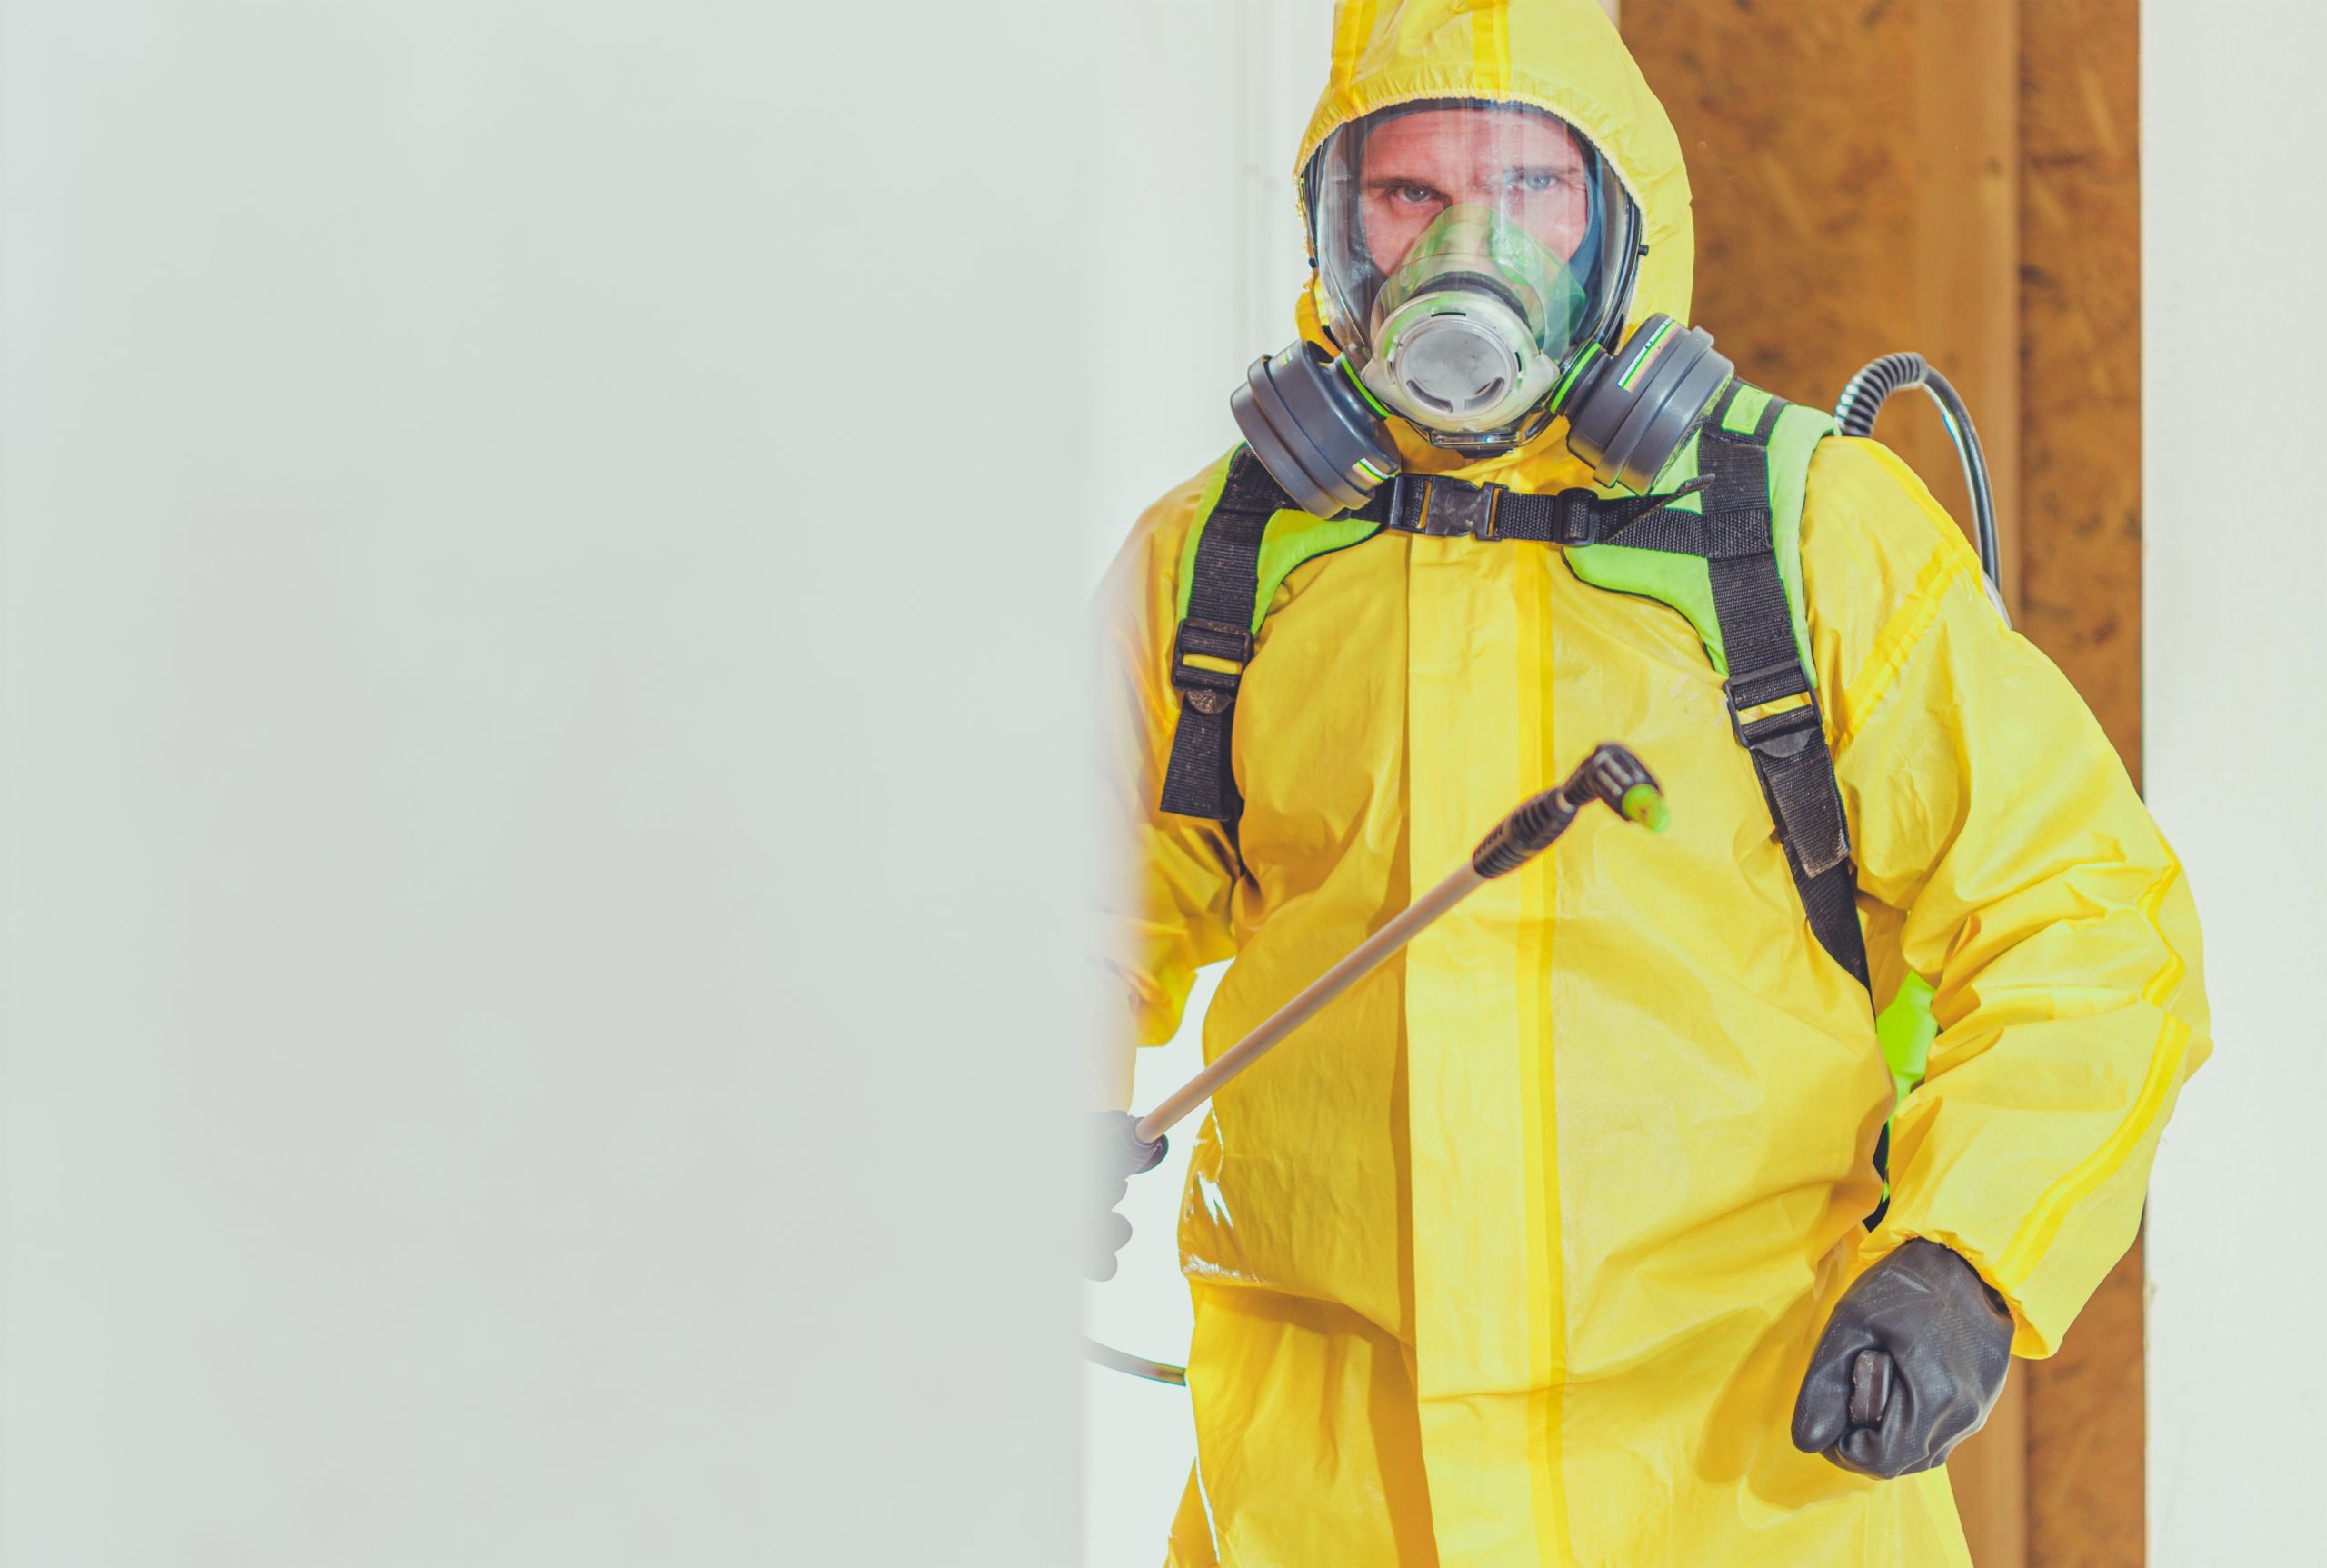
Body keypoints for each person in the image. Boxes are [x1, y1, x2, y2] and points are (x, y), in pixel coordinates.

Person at [1092, 2, 2209, 1564]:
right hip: (1322, 1500)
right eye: (1409, 197)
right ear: (1335, 230)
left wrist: (1965, 1258)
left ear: (1623, 224)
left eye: (1531, 193)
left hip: (1745, 1492)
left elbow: (2084, 923)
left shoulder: (1810, 533)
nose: (1467, 248)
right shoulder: (1219, 563)